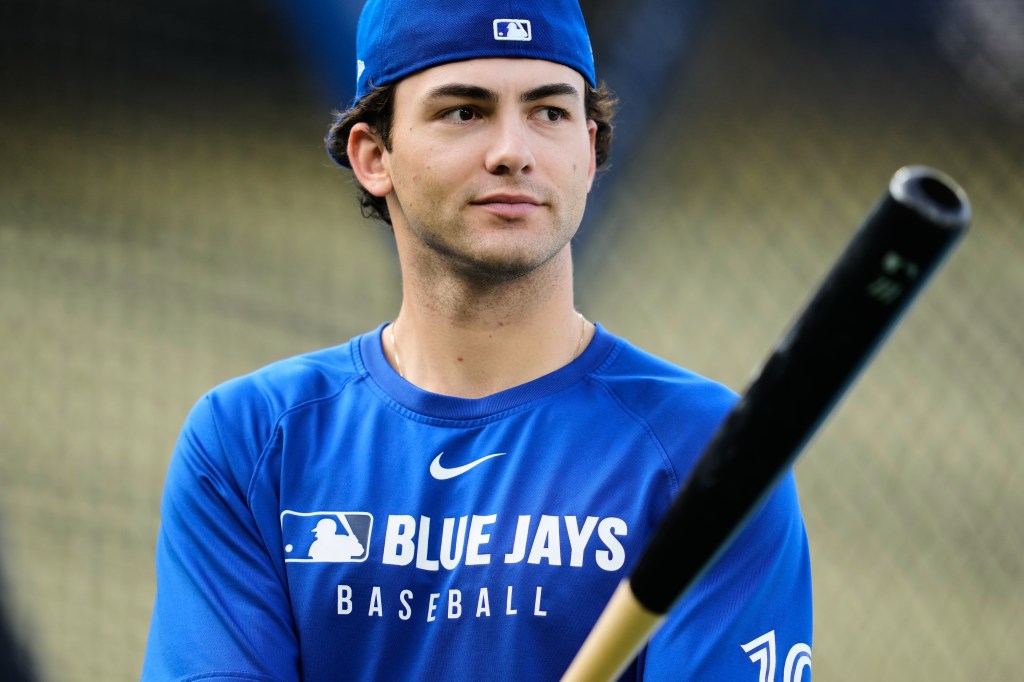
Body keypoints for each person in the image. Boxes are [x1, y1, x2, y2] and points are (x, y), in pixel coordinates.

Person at [142, 1, 813, 680]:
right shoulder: (252, 444)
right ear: (375, 156)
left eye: (549, 112)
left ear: (590, 148)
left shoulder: (708, 456)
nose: (513, 153)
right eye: (465, 111)